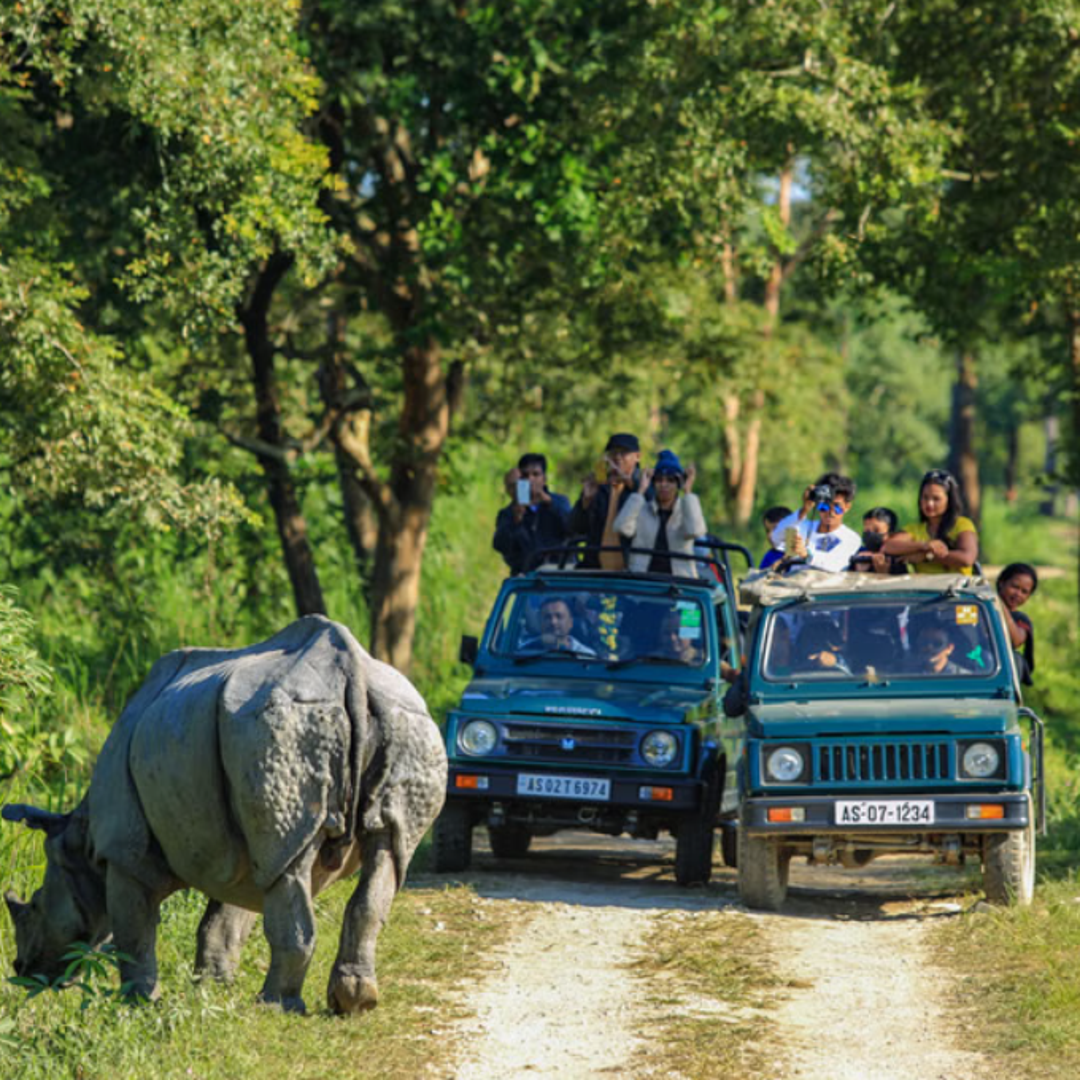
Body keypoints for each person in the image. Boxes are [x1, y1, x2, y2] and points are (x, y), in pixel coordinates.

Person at [613, 450, 707, 577]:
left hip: (679, 582)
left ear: (678, 484)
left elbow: (695, 531)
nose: (664, 485)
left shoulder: (685, 510)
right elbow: (621, 528)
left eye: (670, 480)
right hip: (643, 580)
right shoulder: (642, 509)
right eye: (659, 480)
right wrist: (640, 490)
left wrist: (687, 491)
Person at [882, 469, 978, 575]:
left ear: (949, 500)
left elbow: (967, 559)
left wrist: (926, 556)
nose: (929, 504)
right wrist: (925, 546)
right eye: (925, 497)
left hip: (957, 585)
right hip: (925, 585)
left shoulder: (962, 525)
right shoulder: (915, 530)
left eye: (936, 499)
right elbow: (888, 546)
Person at [570, 433, 641, 569]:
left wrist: (629, 482)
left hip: (631, 573)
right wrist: (585, 502)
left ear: (637, 456)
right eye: (613, 453)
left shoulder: (645, 486)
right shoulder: (600, 487)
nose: (617, 457)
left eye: (623, 453)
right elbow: (575, 528)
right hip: (595, 571)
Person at [493, 453, 573, 575]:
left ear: (544, 479)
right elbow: (500, 545)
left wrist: (549, 502)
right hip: (527, 576)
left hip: (559, 573)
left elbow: (573, 528)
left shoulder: (560, 502)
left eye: (536, 474)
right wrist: (516, 521)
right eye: (525, 475)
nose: (530, 479)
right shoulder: (509, 512)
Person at [769, 473, 862, 573]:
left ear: (847, 507)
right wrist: (804, 510)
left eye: (837, 507)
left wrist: (806, 554)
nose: (830, 512)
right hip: (793, 582)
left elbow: (836, 564)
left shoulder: (851, 538)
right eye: (824, 506)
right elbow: (776, 538)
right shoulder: (801, 527)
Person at [997, 562, 1038, 685]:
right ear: (1001, 583)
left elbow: (1016, 641)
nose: (1018, 594)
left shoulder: (1021, 619)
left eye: (1024, 592)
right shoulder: (980, 609)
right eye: (1014, 587)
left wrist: (1000, 606)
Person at [519, 597, 596, 655]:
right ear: (540, 622)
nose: (553, 622)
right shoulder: (523, 653)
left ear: (570, 623)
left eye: (559, 617)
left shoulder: (587, 656)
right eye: (547, 617)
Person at [850, 506, 905, 574]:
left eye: (876, 530)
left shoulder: (898, 558)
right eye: (867, 531)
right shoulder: (858, 555)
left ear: (891, 533)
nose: (871, 535)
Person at [759, 506, 793, 571]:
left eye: (776, 530)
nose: (770, 536)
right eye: (767, 531)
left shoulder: (802, 554)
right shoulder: (770, 556)